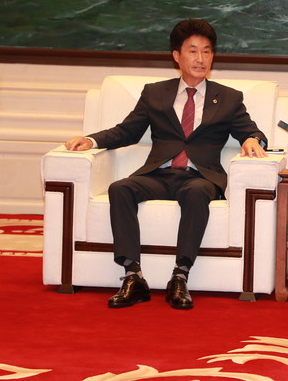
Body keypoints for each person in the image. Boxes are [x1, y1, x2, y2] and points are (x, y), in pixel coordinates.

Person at [64, 18, 267, 310]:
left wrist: (252, 140)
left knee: (195, 192)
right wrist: (91, 140)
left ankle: (180, 276)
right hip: (158, 174)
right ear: (176, 56)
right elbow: (127, 131)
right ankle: (133, 276)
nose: (200, 59)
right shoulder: (154, 93)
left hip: (200, 177)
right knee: (121, 188)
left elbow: (251, 130)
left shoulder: (228, 98)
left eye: (207, 51)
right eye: (193, 51)